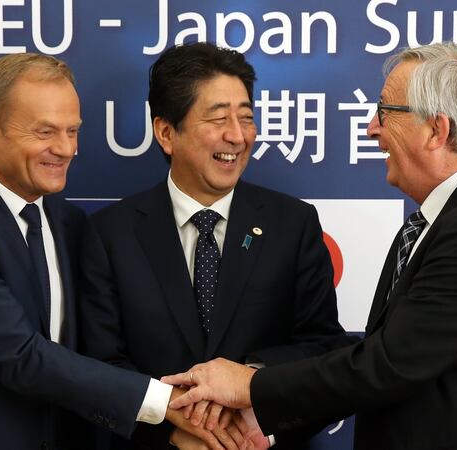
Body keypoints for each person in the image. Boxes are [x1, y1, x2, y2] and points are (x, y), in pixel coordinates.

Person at [162, 42, 457, 450]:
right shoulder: (447, 218)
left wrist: (251, 386)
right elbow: (386, 352)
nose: (371, 127)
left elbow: (387, 365)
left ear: (437, 129)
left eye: (386, 111)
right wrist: (261, 410)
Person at [0, 53, 240, 450]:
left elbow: (92, 352)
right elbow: (20, 354)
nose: (65, 148)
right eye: (44, 132)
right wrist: (169, 401)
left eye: (72, 131)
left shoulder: (70, 223)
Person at [79, 42, 354, 449]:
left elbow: (322, 347)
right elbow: (100, 364)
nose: (237, 136)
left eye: (246, 117)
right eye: (219, 117)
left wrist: (252, 395)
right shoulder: (110, 234)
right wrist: (176, 430)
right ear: (166, 132)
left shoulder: (292, 224)